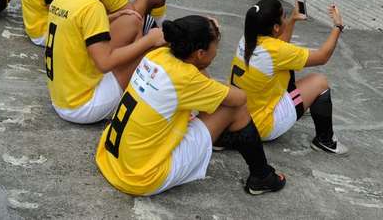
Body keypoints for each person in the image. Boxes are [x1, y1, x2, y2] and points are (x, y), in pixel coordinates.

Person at [95, 16, 286, 196]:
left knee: (208, 102)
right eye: (215, 46)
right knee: (235, 108)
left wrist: (202, 38)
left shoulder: (157, 55)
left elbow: (194, 71)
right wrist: (202, 67)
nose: (216, 51)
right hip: (141, 177)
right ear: (200, 53)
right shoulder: (186, 78)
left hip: (112, 159)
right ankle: (262, 176)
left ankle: (224, 142)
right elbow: (239, 98)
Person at [45, 0, 164, 124]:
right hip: (83, 106)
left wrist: (115, 16)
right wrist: (148, 41)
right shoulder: (92, 7)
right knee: (153, 50)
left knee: (132, 20)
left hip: (62, 97)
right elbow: (105, 63)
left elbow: (75, 26)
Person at [227, 0, 348, 154]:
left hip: (241, 118)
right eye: (284, 16)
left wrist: (291, 20)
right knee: (319, 82)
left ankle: (301, 106)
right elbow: (323, 56)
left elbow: (280, 47)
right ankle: (326, 141)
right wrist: (338, 26)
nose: (286, 18)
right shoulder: (277, 52)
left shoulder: (247, 39)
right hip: (263, 126)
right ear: (276, 27)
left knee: (285, 71)